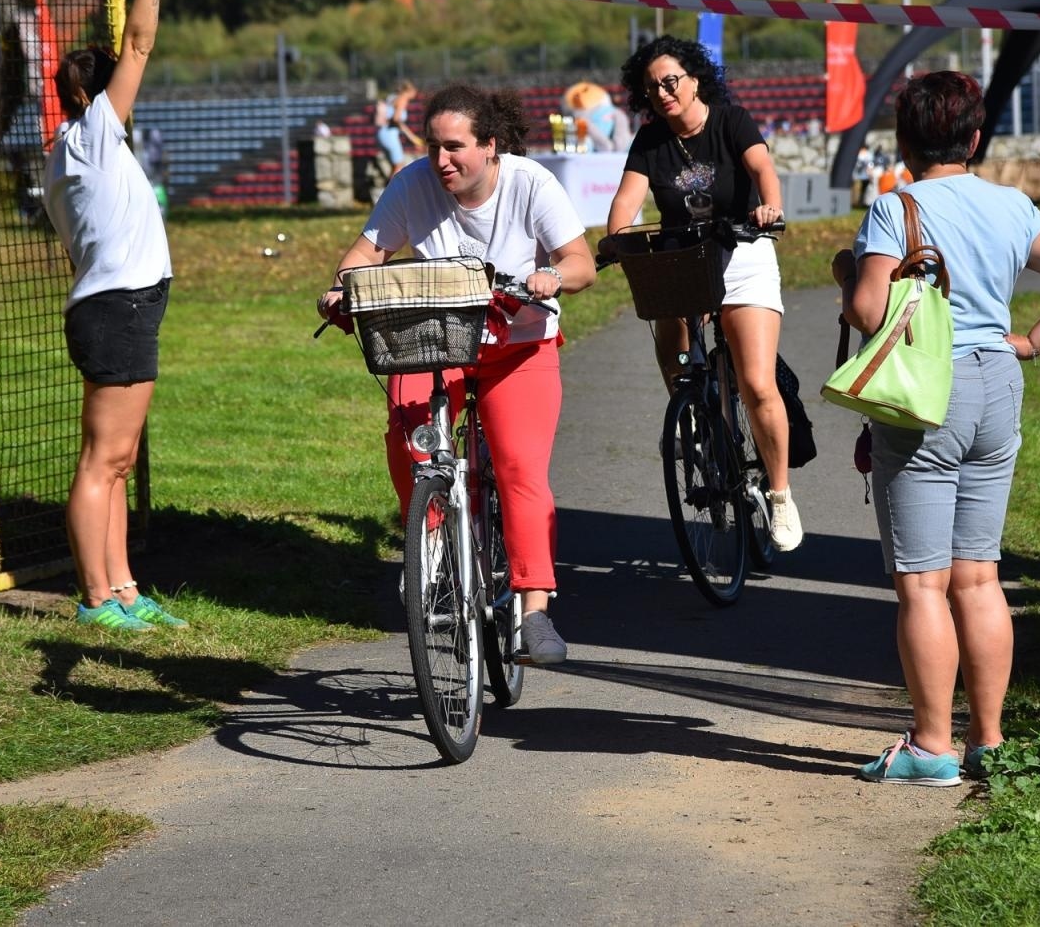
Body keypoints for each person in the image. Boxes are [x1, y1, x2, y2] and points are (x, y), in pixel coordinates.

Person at [832, 71, 1040, 784]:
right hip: (997, 384)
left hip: (930, 393)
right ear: (976, 138)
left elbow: (867, 314)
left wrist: (850, 276)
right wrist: (1035, 341)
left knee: (923, 586)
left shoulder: (898, 209)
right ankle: (989, 738)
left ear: (904, 140)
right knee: (979, 578)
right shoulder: (1012, 204)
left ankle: (931, 745)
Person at [319, 84, 597, 664]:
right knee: (408, 438)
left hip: (517, 345)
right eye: (432, 147)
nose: (440, 161)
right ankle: (432, 546)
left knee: (521, 467)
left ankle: (534, 610)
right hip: (435, 340)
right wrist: (341, 288)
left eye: (454, 148)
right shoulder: (411, 185)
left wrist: (551, 278)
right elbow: (363, 258)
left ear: (490, 146)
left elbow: (580, 260)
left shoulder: (530, 183)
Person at [603, 34, 802, 552]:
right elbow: (626, 203)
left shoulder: (730, 121)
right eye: (652, 88)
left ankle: (779, 495)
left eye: (671, 81)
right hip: (685, 258)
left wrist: (770, 208)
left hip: (742, 251)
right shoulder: (648, 141)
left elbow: (763, 171)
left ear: (695, 80)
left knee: (757, 383)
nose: (663, 93)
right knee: (667, 329)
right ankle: (692, 413)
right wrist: (618, 237)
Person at [43, 0, 188, 633]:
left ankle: (125, 589)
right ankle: (96, 598)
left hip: (119, 306)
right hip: (117, 310)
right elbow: (138, 43)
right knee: (104, 460)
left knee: (120, 460)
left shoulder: (69, 154)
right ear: (95, 94)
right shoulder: (94, 134)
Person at [374, 80, 423, 181]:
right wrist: (411, 136)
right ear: (410, 90)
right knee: (398, 165)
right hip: (389, 134)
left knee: (394, 166)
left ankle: (387, 193)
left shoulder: (393, 98)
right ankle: (392, 193)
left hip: (383, 133)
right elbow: (396, 119)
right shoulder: (403, 99)